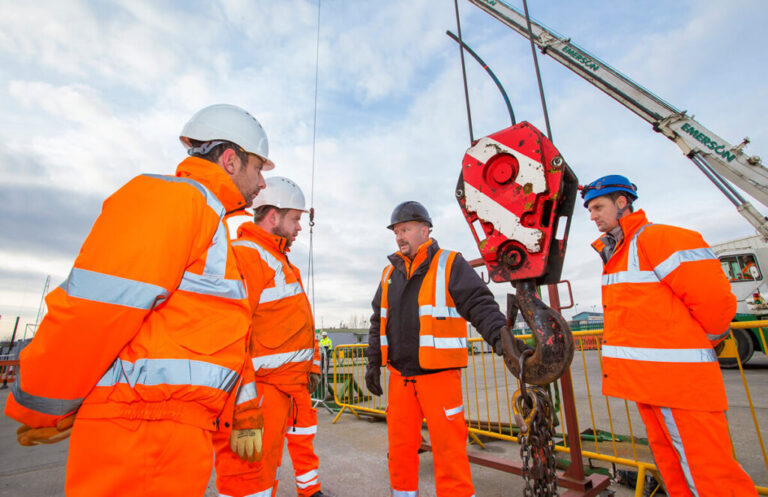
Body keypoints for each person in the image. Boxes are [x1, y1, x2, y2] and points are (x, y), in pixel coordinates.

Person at [5, 103, 273, 496]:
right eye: (258, 168)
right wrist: (45, 402)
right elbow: (96, 309)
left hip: (167, 431)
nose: (263, 183)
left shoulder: (206, 219)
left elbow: (219, 338)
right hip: (141, 433)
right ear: (231, 160)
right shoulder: (174, 202)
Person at [582, 174, 757, 496]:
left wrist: (709, 340)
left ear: (622, 202)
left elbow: (714, 302)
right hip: (650, 384)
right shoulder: (619, 251)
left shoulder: (662, 239)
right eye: (589, 210)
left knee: (709, 474)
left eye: (597, 207)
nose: (592, 216)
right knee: (673, 467)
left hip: (679, 384)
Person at [365, 201, 506, 497]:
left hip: (439, 378)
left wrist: (500, 337)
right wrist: (373, 361)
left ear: (424, 230)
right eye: (396, 232)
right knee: (401, 449)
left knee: (448, 451)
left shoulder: (450, 263)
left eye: (405, 229)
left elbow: (479, 304)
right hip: (400, 378)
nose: (399, 236)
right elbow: (378, 318)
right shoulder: (389, 274)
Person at [214, 176, 331, 497]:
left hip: (281, 390)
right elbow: (229, 336)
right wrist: (244, 405)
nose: (298, 228)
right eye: (295, 219)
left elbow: (297, 328)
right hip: (258, 392)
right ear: (272, 216)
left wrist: (312, 368)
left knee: (264, 476)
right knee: (248, 481)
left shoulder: (279, 260)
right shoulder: (247, 256)